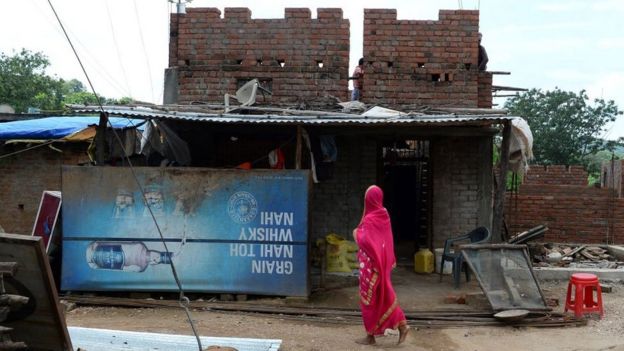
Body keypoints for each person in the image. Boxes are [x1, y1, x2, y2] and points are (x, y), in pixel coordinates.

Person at [352, 185, 409, 345]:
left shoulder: (370, 219)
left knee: (369, 300)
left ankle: (371, 335)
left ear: (368, 200)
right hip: (380, 264)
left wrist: (356, 233)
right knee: (383, 297)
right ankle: (401, 326)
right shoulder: (384, 214)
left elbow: (367, 242)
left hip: (371, 267)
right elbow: (385, 241)